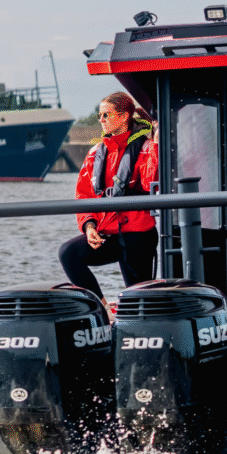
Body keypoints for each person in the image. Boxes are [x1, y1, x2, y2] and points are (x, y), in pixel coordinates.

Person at [59, 92, 158, 308]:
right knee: (69, 253)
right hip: (109, 234)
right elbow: (84, 194)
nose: (101, 120)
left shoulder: (146, 148)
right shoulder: (96, 153)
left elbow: (152, 180)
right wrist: (89, 226)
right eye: (99, 116)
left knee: (138, 298)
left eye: (106, 115)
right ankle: (102, 308)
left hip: (137, 235)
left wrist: (157, 144)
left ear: (123, 117)